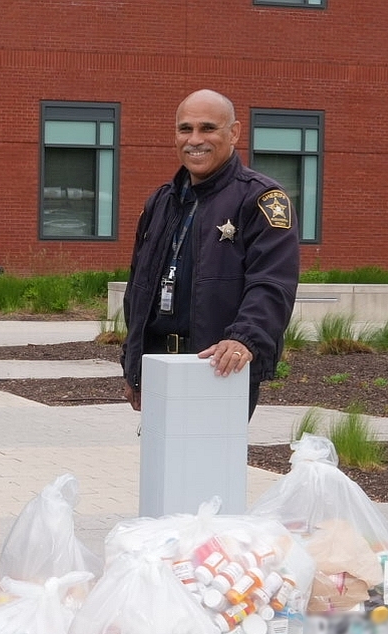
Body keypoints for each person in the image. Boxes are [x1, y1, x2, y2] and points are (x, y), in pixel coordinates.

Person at [121, 89, 300, 418]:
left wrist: (243, 339)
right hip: (158, 365)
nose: (195, 140)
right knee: (162, 454)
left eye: (207, 128)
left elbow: (272, 284)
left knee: (207, 453)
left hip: (219, 368)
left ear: (234, 133)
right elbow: (137, 291)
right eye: (185, 129)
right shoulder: (160, 203)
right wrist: (132, 364)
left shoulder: (260, 201)